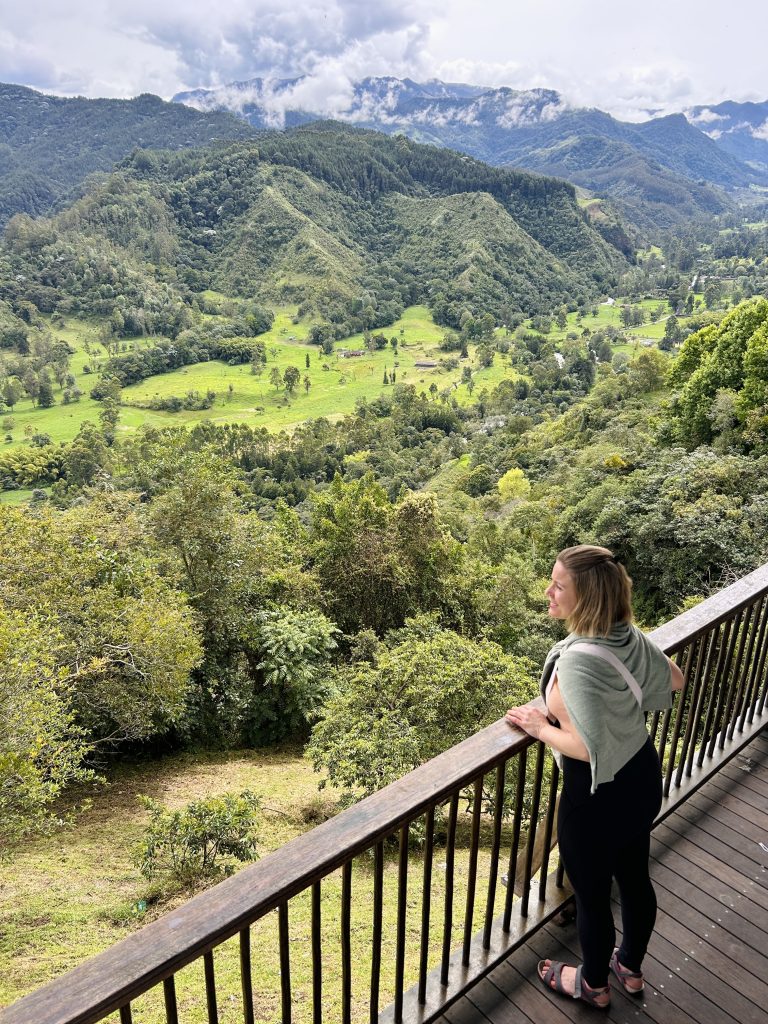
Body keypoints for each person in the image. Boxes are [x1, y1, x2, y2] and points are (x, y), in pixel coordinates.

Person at [506, 544, 684, 1010]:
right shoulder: (623, 633)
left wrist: (541, 726)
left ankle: (593, 985)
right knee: (635, 879)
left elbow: (587, 748)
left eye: (558, 585)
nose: (548, 591)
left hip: (596, 793)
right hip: (640, 777)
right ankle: (628, 967)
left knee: (591, 897)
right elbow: (675, 679)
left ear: (584, 598)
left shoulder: (578, 660)